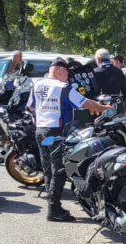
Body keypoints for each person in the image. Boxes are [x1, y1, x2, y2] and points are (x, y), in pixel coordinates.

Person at [28, 58, 110, 221]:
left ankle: (53, 205)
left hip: (41, 132)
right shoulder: (63, 87)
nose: (68, 76)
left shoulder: (37, 84)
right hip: (56, 133)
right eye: (67, 73)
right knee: (59, 170)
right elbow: (86, 103)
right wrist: (106, 108)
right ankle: (54, 209)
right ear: (59, 70)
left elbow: (31, 106)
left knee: (48, 169)